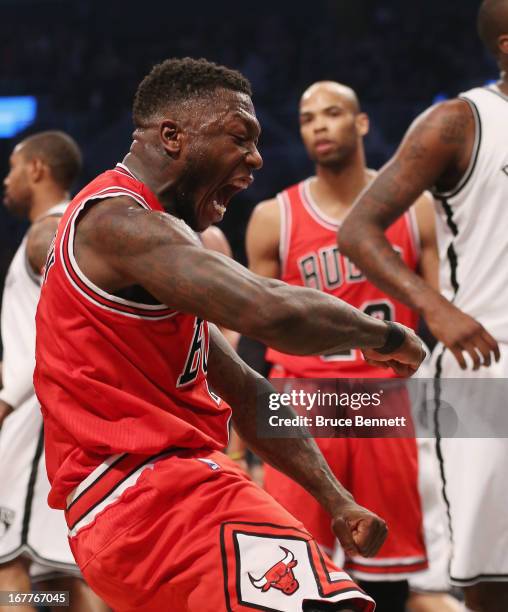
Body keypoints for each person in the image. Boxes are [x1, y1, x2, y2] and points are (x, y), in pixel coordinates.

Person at [33, 57, 425, 612]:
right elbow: (268, 310)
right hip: (154, 499)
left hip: (133, 513)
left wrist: (336, 500)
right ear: (172, 136)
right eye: (240, 137)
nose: (257, 159)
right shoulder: (121, 222)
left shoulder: (153, 257)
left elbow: (245, 390)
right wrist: (383, 335)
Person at [234, 80, 458, 612]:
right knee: (292, 568)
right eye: (308, 118)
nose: (319, 126)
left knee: (390, 573)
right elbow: (248, 330)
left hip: (382, 403)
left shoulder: (415, 208)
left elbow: (443, 306)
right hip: (302, 402)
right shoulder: (274, 217)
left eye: (332, 114)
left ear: (360, 124)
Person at [338, 2, 508, 611]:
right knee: (484, 567)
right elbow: (359, 229)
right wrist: (434, 307)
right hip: (486, 359)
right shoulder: (460, 122)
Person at [0, 131, 109, 612]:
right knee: (65, 576)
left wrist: (4, 403)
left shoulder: (49, 233)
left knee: (9, 571)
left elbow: (55, 342)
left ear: (38, 169)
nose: (7, 180)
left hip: (36, 422)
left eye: (12, 167)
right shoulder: (76, 227)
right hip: (70, 419)